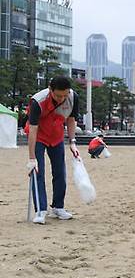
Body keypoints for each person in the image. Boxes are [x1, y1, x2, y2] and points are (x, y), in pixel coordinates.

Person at [25, 76, 80, 224]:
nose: (62, 99)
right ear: (50, 90)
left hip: (56, 136)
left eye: (65, 95)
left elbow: (71, 120)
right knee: (38, 172)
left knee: (60, 172)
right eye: (58, 95)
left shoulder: (73, 97)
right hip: (39, 137)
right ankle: (40, 210)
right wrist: (32, 158)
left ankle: (58, 207)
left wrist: (72, 142)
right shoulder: (38, 101)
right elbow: (33, 129)